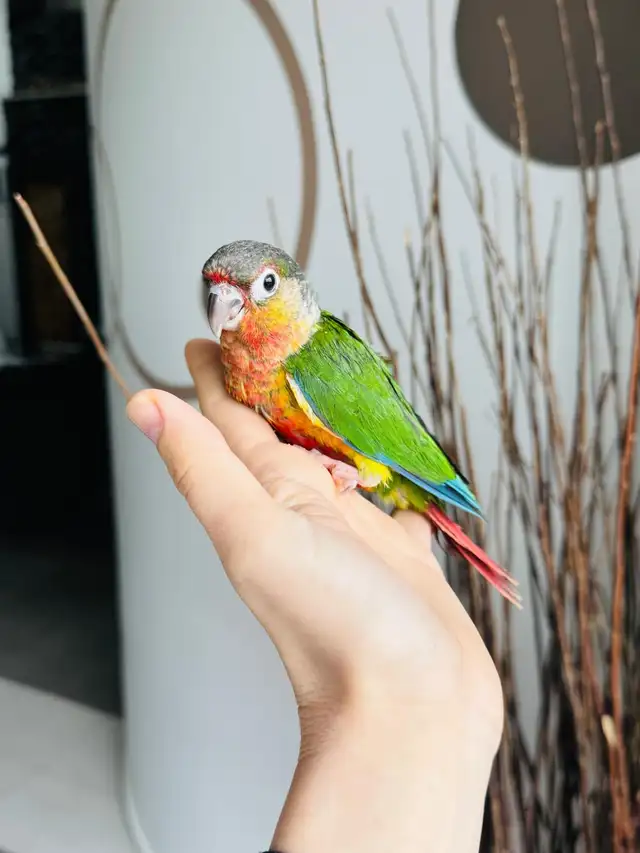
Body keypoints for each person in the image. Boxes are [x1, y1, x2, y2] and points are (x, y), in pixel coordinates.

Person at [125, 338, 504, 853]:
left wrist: (359, 472)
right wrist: (418, 703)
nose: (230, 306)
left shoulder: (311, 360)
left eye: (261, 294)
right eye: (221, 296)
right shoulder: (251, 368)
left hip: (388, 472)